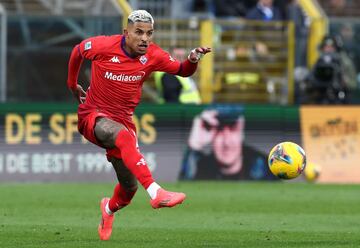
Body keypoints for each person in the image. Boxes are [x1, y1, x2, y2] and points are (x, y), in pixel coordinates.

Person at [66, 10, 211, 241]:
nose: (145, 38)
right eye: (139, 33)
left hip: (123, 121)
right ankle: (156, 192)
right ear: (126, 33)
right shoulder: (103, 46)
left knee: (128, 189)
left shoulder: (153, 55)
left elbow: (183, 70)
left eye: (149, 33)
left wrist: (193, 59)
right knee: (122, 136)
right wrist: (73, 85)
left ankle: (108, 209)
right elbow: (77, 51)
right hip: (93, 115)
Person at [180, 106, 278, 180]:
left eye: (232, 129)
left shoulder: (264, 166)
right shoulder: (199, 167)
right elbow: (184, 187)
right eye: (219, 130)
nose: (226, 142)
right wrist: (194, 146)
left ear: (242, 130)